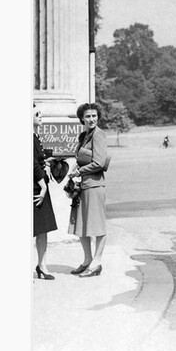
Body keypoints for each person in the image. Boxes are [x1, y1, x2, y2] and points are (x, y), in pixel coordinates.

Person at [67, 102, 110, 277]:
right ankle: (87, 260)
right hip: (83, 186)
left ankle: (96, 263)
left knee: (97, 225)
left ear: (97, 117)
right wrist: (75, 168)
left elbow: (99, 163)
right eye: (88, 116)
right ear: (82, 119)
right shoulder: (84, 136)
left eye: (94, 116)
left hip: (94, 185)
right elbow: (81, 158)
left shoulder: (98, 135)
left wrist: (79, 171)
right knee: (81, 224)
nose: (91, 119)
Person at [33, 105, 57, 279]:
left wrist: (46, 162)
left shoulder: (35, 136)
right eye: (36, 114)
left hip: (40, 185)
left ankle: (42, 265)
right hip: (36, 188)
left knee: (43, 229)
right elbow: (31, 164)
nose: (40, 116)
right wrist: (43, 186)